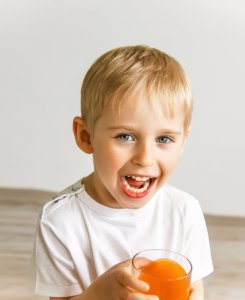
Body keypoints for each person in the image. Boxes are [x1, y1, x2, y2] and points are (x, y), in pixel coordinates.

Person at [32, 45, 213, 300]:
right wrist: (97, 295)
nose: (145, 158)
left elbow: (195, 288)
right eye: (125, 136)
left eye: (164, 138)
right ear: (86, 136)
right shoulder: (60, 221)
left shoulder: (184, 211)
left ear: (182, 142)